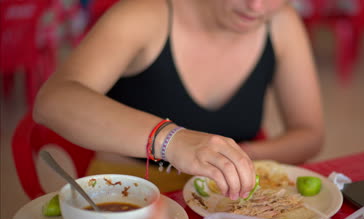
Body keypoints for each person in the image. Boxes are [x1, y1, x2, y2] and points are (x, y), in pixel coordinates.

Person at [33, 0, 324, 201]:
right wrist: (173, 141)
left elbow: (310, 133)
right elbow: (52, 101)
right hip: (128, 194)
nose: (257, 6)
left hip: (222, 200)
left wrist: (231, 158)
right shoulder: (144, 14)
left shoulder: (281, 22)